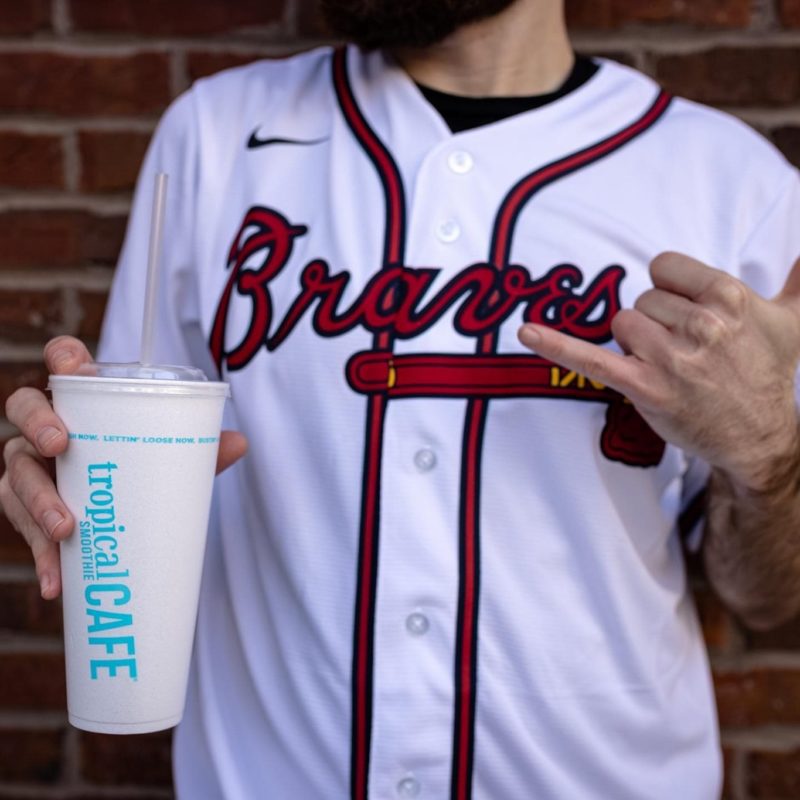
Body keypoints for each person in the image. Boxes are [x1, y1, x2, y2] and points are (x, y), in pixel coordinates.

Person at [3, 0, 800, 797]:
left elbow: (765, 595)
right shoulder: (216, 134)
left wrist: (768, 456)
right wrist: (73, 482)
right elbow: (130, 480)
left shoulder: (731, 183)